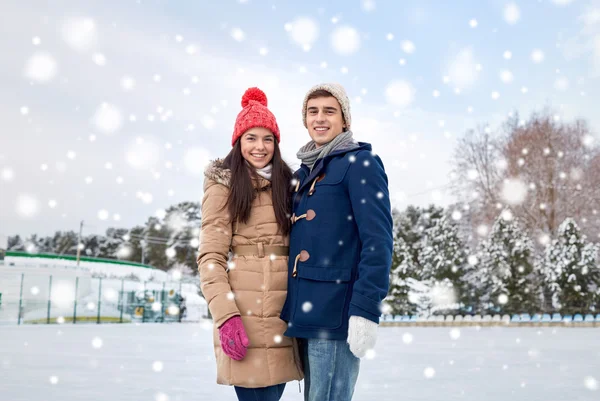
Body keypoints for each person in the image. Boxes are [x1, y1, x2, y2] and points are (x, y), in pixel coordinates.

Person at [280, 83, 393, 401]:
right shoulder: (305, 172)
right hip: (305, 311)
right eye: (312, 111)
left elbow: (378, 241)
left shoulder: (362, 164)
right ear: (305, 120)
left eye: (330, 111)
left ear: (345, 120)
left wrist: (365, 309)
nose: (320, 118)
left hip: (337, 312)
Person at [197, 87, 303, 400]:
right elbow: (210, 258)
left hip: (284, 310)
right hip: (244, 310)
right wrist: (226, 316)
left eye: (267, 138)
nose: (260, 147)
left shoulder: (290, 184)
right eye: (251, 138)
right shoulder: (224, 184)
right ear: (238, 141)